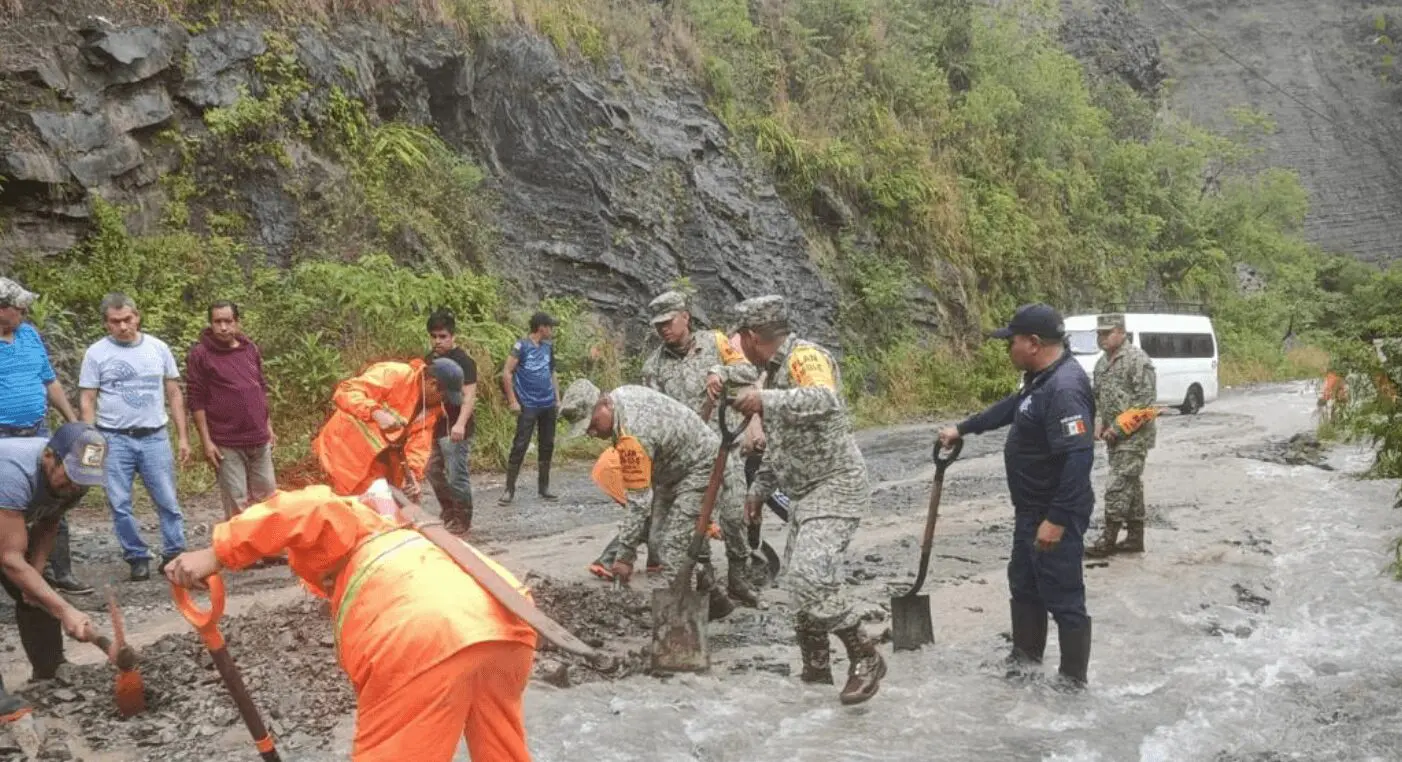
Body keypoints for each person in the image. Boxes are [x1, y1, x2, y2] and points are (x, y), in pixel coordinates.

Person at [163, 485, 537, 761]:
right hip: (509, 614)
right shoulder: (405, 540)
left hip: (424, 630)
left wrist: (218, 552)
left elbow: (310, 507)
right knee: (501, 750)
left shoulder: (350, 526)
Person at [728, 295, 884, 705]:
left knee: (810, 576)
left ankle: (865, 655)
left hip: (837, 485)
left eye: (738, 338)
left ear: (751, 336)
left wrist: (765, 400)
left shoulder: (804, 357)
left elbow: (824, 399)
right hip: (805, 493)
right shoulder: (772, 370)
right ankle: (816, 671)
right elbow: (781, 444)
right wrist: (759, 488)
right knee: (802, 589)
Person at [936, 303, 1095, 688]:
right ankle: (1025, 662)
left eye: (1012, 342)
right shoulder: (1041, 379)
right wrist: (963, 428)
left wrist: (1056, 520)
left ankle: (1073, 684)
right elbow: (1012, 408)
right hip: (1030, 511)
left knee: (1063, 595)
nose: (1008, 349)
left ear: (1034, 343)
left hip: (1053, 512)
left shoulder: (1066, 388)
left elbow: (1079, 458)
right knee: (1024, 583)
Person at [585, 291, 759, 598]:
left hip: (723, 444)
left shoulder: (716, 343)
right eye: (657, 325)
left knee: (732, 517)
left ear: (685, 318)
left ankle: (739, 577)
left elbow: (750, 371)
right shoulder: (654, 367)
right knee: (684, 529)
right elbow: (648, 421)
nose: (663, 329)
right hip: (679, 456)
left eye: (668, 321)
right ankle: (705, 582)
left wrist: (721, 371)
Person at [558, 379, 746, 612]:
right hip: (671, 468)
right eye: (588, 430)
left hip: (699, 467)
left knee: (672, 549)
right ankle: (714, 597)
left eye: (593, 423)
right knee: (658, 542)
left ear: (604, 403)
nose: (593, 432)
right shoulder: (621, 396)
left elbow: (638, 502)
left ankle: (685, 618)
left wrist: (625, 557)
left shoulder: (632, 434)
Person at [79, 293, 190, 582]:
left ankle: (174, 552)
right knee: (119, 502)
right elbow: (88, 399)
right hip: (114, 438)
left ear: (137, 317)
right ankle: (136, 556)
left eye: (128, 319)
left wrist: (182, 437)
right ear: (106, 324)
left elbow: (174, 392)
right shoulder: (96, 354)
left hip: (154, 435)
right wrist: (91, 440)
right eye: (116, 322)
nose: (123, 326)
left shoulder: (158, 348)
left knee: (167, 499)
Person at [0, 423, 107, 721]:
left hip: (6, 522)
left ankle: (49, 666)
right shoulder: (11, 471)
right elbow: (9, 557)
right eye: (72, 477)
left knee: (38, 587)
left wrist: (33, 578)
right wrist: (66, 611)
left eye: (83, 481)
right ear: (49, 456)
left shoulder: (76, 481)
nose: (76, 487)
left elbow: (49, 522)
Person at [0, 277, 90, 596]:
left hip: (37, 432)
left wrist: (72, 420)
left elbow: (49, 381)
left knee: (59, 490)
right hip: (2, 438)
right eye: (17, 305)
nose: (24, 309)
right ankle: (16, 574)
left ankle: (58, 572)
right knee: (8, 506)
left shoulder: (29, 335)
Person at [312, 357, 460, 499]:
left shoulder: (431, 410)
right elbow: (346, 391)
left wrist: (413, 476)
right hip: (337, 454)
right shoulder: (394, 374)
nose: (444, 402)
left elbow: (418, 447)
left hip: (372, 471)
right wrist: (376, 413)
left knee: (374, 516)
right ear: (432, 384)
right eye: (444, 397)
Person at [186, 301, 277, 521]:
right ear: (211, 323)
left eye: (228, 321)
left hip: (258, 437)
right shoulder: (201, 355)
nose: (223, 327)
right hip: (226, 441)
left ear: (236, 322)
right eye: (218, 322)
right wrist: (206, 442)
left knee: (268, 497)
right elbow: (196, 400)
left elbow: (260, 387)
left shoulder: (249, 348)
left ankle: (271, 550)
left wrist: (268, 426)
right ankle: (241, 553)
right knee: (237, 502)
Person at [1086, 313, 1157, 558]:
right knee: (1131, 484)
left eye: (1106, 333)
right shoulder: (1101, 364)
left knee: (1116, 484)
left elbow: (1145, 403)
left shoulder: (1137, 360)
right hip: (1112, 438)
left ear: (1121, 332)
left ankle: (1109, 538)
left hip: (1134, 437)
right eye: (1099, 333)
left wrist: (1115, 428)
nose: (1101, 338)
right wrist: (1097, 423)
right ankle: (1136, 537)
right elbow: (1097, 398)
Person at [424, 309, 478, 536]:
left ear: (452, 336)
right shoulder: (430, 360)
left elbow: (469, 395)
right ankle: (447, 510)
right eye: (434, 336)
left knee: (456, 474)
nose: (438, 341)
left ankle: (462, 518)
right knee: (432, 470)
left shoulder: (464, 361)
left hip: (457, 425)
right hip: (435, 425)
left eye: (443, 336)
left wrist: (461, 424)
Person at [499, 312, 561, 506]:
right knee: (520, 444)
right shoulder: (521, 346)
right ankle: (509, 489)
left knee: (547, 444)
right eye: (550, 327)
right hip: (529, 403)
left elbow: (552, 373)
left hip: (547, 403)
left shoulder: (548, 347)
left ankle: (544, 487)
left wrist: (558, 398)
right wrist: (512, 401)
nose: (552, 331)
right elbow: (507, 373)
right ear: (541, 327)